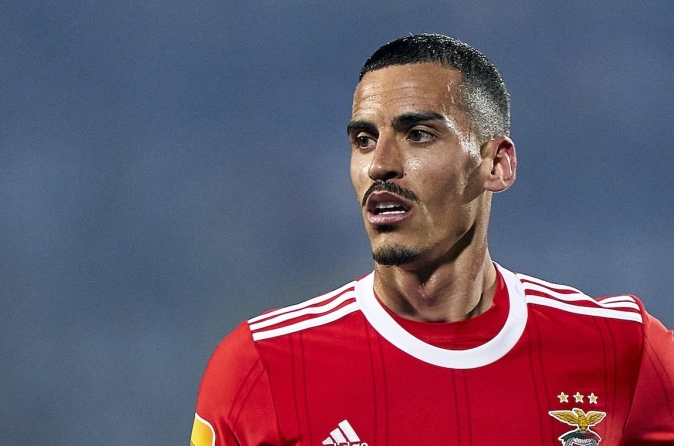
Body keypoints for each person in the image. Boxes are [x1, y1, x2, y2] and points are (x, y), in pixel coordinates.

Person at [190, 33, 674, 446]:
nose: (380, 165)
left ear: (495, 164)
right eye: (363, 140)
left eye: (418, 134)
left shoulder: (622, 347)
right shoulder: (262, 366)